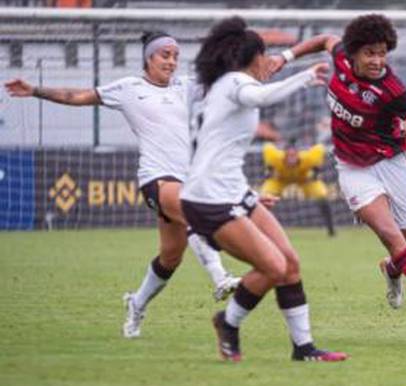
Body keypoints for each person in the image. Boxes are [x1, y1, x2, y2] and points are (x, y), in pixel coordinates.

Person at [4, 31, 240, 339]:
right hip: (155, 178)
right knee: (193, 211)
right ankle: (220, 277)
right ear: (148, 58)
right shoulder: (129, 88)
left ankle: (136, 303)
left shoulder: (184, 87)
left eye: (175, 56)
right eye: (164, 55)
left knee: (170, 257)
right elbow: (76, 97)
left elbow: (225, 85)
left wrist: (258, 65)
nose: (171, 61)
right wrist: (35, 90)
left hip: (186, 178)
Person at [272, 14, 406, 322]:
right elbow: (323, 40)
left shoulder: (393, 90)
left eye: (383, 53)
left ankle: (391, 269)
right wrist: (284, 56)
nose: (377, 60)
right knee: (391, 236)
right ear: (354, 51)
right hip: (353, 169)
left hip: (393, 162)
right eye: (370, 53)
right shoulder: (341, 58)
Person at [180, 17, 347, 362]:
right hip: (208, 197)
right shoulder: (235, 82)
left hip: (233, 191)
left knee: (290, 263)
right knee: (273, 266)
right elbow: (260, 96)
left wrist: (252, 197)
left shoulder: (228, 83)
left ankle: (304, 349)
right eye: (265, 54)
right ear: (253, 56)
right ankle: (228, 323)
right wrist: (304, 76)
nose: (268, 60)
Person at [261, 141, 336, 236]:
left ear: (298, 154)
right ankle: (263, 230)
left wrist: (315, 171)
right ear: (284, 154)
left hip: (304, 179)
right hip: (280, 180)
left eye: (294, 155)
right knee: (265, 196)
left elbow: (319, 148)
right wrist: (270, 168)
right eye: (289, 155)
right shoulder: (276, 158)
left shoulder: (307, 158)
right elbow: (267, 146)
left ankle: (331, 230)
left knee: (322, 195)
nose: (292, 158)